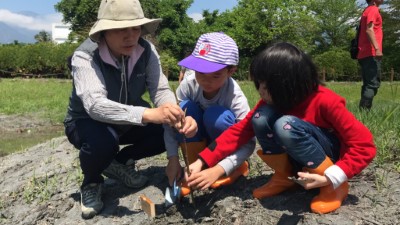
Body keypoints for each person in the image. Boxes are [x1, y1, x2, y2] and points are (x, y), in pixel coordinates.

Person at [188, 42, 376, 214]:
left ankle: (334, 188)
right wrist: (202, 161)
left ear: (288, 84)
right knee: (260, 118)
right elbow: (238, 131)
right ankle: (285, 177)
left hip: (328, 162)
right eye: (259, 83)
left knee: (285, 125)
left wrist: (332, 177)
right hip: (299, 161)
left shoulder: (325, 101)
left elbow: (364, 145)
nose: (260, 90)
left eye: (266, 85)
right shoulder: (271, 102)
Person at [63, 0, 196, 219]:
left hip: (128, 118)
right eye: (121, 29)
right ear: (104, 31)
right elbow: (95, 105)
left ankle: (121, 160)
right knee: (102, 142)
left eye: (135, 28)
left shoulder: (146, 50)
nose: (130, 36)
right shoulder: (85, 56)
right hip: (86, 121)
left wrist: (173, 113)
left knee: (165, 131)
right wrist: (147, 114)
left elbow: (160, 88)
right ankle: (92, 181)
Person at [165, 32, 255, 195]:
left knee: (216, 117)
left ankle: (235, 166)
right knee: (183, 109)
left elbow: (248, 141)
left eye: (215, 75)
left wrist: (220, 169)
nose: (206, 81)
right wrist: (172, 158)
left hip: (223, 146)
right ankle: (194, 169)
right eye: (200, 73)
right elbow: (168, 123)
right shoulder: (188, 85)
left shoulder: (234, 96)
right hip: (200, 141)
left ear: (231, 71)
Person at [357, 0, 384, 110]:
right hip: (371, 53)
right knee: (373, 84)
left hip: (363, 53)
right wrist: (377, 49)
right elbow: (369, 30)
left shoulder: (367, 10)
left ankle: (362, 113)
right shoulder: (373, 9)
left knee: (368, 84)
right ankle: (364, 111)